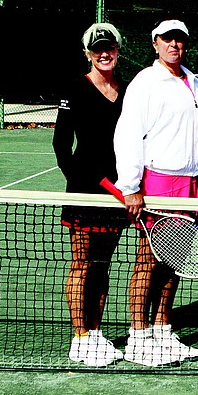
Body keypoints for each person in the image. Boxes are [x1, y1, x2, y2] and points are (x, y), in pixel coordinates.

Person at [113, 19, 198, 367]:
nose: (174, 45)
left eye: (179, 40)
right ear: (155, 43)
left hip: (191, 183)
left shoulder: (196, 83)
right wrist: (130, 186)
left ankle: (163, 329)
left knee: (176, 261)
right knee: (148, 260)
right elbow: (128, 134)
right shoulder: (145, 82)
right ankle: (139, 338)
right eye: (167, 39)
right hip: (159, 182)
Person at [53, 23, 130, 367]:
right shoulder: (75, 88)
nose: (104, 53)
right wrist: (80, 181)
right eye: (97, 48)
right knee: (82, 264)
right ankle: (80, 337)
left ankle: (95, 333)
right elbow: (61, 145)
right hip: (85, 193)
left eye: (109, 47)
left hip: (117, 193)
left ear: (117, 50)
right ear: (87, 53)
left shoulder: (127, 91)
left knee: (101, 265)